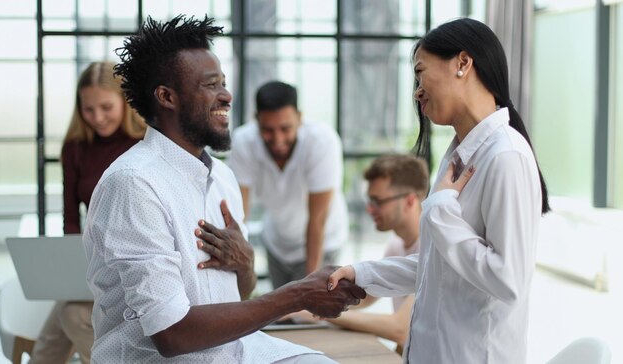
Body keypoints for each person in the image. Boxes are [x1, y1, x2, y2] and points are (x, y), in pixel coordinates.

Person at [83, 14, 365, 363]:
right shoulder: (133, 185)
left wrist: (245, 264)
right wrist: (296, 295)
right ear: (167, 97)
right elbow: (171, 334)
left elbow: (239, 293)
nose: (227, 95)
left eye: (223, 83)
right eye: (211, 84)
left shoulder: (221, 177)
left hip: (232, 351)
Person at [328, 18, 550, 364]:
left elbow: (508, 279)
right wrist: (364, 274)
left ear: (463, 63)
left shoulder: (506, 155)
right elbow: (440, 265)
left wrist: (440, 210)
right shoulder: (461, 154)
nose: (417, 91)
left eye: (420, 73)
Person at [29, 61, 146, 364]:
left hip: (137, 260)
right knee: (70, 310)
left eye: (106, 106)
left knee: (69, 316)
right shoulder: (75, 148)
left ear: (125, 101)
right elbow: (70, 218)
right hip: (94, 261)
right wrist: (72, 262)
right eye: (89, 109)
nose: (97, 117)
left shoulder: (144, 143)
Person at [287, 154, 429, 353]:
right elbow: (363, 298)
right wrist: (304, 302)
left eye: (378, 201)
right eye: (370, 200)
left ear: (410, 201)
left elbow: (400, 329)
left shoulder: (431, 249)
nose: (370, 209)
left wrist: (310, 313)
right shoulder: (396, 246)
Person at [227, 80, 348, 289]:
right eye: (268, 130)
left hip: (323, 241)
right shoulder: (243, 142)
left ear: (299, 118)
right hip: (278, 243)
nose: (278, 139)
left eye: (285, 128)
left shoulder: (322, 141)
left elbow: (317, 220)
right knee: (281, 316)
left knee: (308, 313)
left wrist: (311, 289)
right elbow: (240, 215)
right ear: (256, 120)